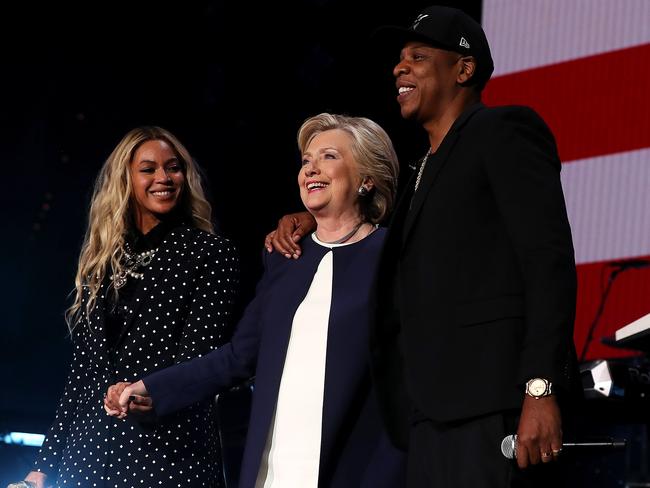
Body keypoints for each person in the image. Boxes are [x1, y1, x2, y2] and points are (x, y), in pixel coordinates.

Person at [265, 6, 579, 488]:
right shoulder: (420, 172)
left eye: (418, 56)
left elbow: (547, 262)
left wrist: (540, 388)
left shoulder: (503, 132)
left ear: (464, 68)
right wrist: (315, 216)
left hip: (495, 407)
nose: (399, 68)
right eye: (398, 59)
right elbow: (405, 234)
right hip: (427, 418)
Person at [104, 113, 406, 487]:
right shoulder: (286, 256)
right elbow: (238, 356)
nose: (310, 169)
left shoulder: (397, 256)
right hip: (276, 467)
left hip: (358, 467)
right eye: (306, 161)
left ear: (366, 179)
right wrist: (151, 388)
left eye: (328, 157)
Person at [20, 126, 239, 488]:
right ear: (126, 178)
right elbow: (81, 375)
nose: (164, 178)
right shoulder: (104, 260)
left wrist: (147, 391)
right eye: (148, 169)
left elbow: (200, 358)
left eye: (173, 168)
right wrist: (43, 466)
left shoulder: (209, 253)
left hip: (167, 452)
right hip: (87, 456)